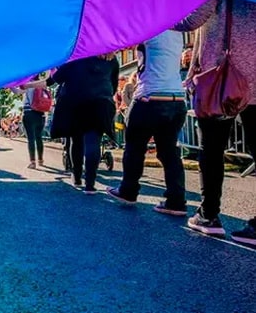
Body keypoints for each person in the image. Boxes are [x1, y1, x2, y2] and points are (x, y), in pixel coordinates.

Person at [174, 0, 256, 242]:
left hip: (222, 80)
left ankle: (208, 215)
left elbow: (193, 20)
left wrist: (160, 19)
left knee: (211, 149)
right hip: (254, 80)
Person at [107, 30, 188, 215]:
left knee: (135, 147)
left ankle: (128, 190)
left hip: (150, 96)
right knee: (170, 153)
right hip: (176, 99)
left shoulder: (150, 29)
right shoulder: (178, 33)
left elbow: (122, 37)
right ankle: (176, 201)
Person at [26, 55, 119, 193]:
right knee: (94, 141)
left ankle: (76, 178)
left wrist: (28, 85)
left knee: (76, 140)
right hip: (101, 102)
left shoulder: (76, 56)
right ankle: (90, 185)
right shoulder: (111, 58)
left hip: (75, 103)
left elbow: (51, 81)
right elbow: (114, 85)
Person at [14, 74, 47, 169]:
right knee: (39, 137)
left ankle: (33, 162)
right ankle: (41, 160)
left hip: (29, 113)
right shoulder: (42, 84)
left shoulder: (28, 85)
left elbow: (17, 92)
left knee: (31, 139)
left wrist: (9, 86)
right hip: (41, 113)